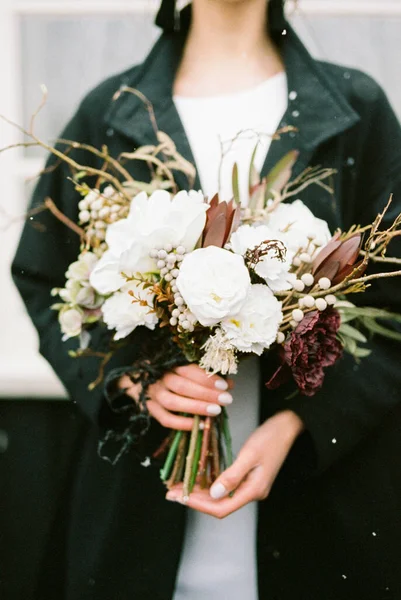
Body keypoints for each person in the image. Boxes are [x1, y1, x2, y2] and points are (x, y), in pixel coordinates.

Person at [11, 0, 401, 598]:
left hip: (321, 529)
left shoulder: (358, 109)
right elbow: (46, 277)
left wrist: (303, 421)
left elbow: (394, 308)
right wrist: (129, 381)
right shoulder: (109, 113)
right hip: (136, 529)